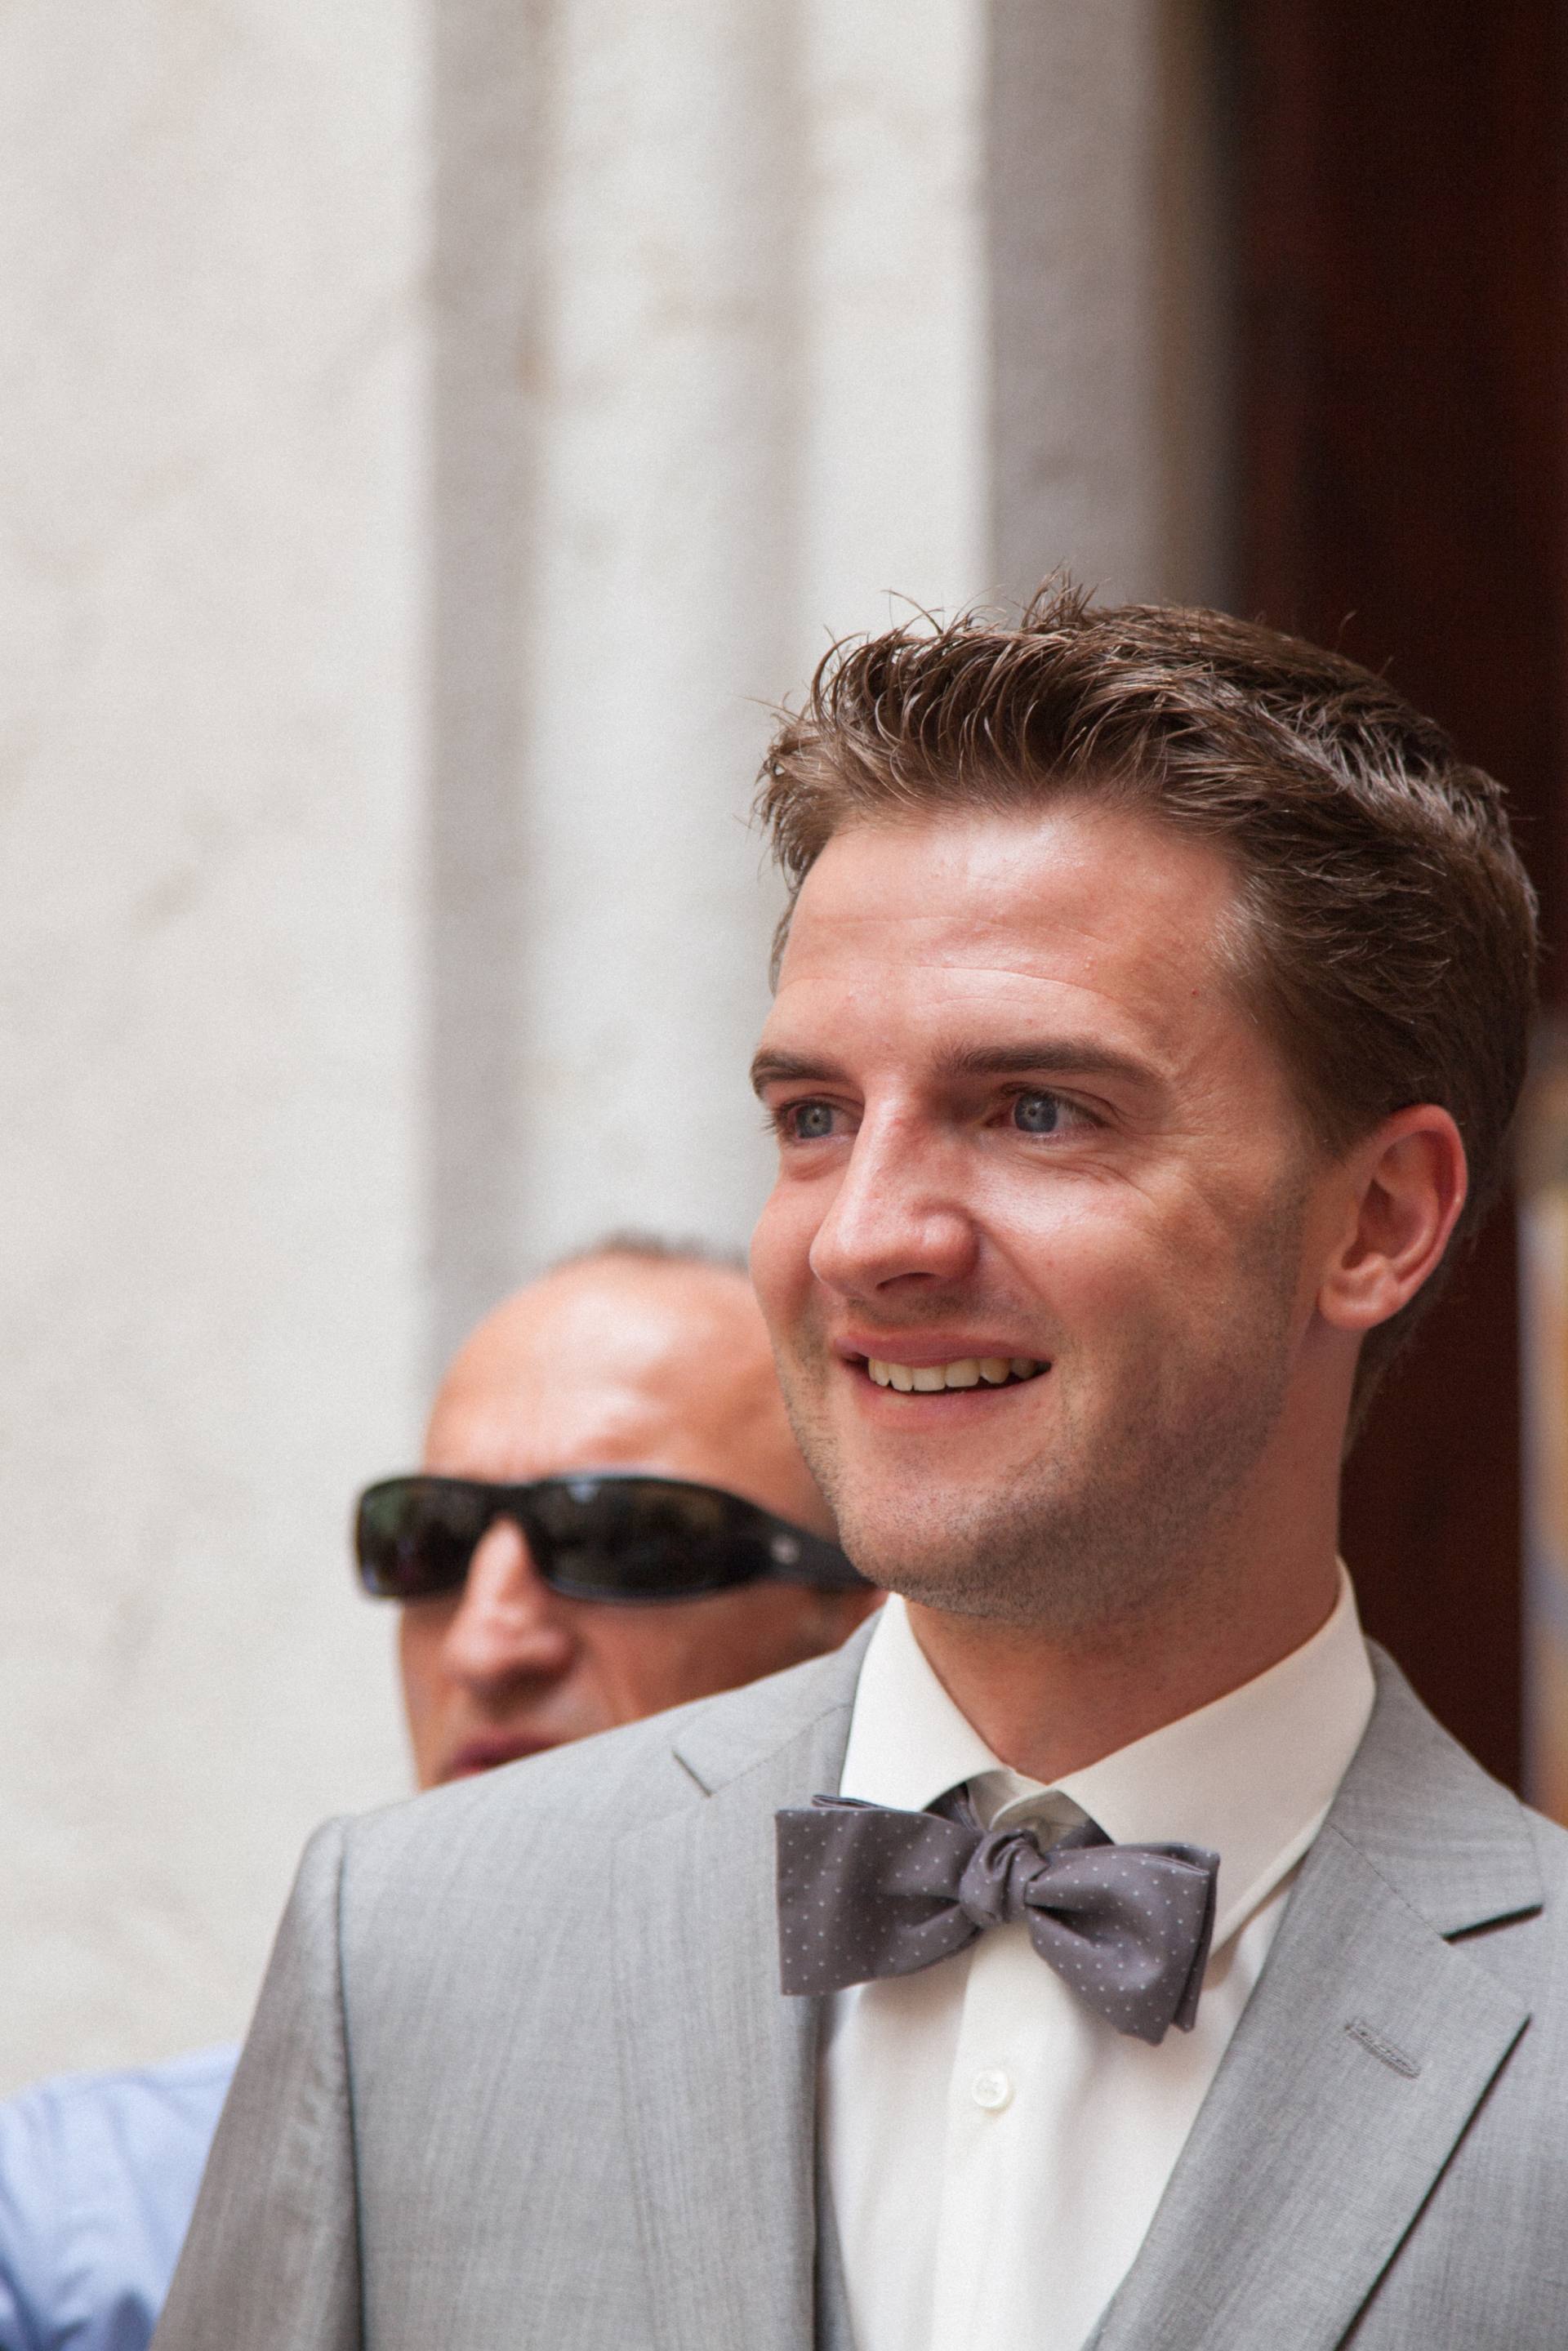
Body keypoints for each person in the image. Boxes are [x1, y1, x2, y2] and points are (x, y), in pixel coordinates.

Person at [155, 586, 1561, 2351]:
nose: (866, 1237)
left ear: (1379, 1220)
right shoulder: (407, 1953)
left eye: (1037, 1109)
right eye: (814, 1118)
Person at [0, 1240, 871, 2351]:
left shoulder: (942, 2127)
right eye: (431, 1541)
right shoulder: (84, 2221)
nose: (484, 1644)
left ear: (860, 1618)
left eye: (617, 1538)